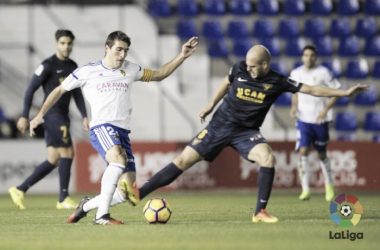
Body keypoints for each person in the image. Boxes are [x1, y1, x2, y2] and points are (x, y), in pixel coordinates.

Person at [122, 45, 367, 223]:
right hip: (218, 126)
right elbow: (226, 83)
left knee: (269, 158)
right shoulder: (239, 68)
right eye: (246, 65)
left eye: (253, 66)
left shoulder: (278, 81)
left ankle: (259, 212)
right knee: (182, 161)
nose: (247, 69)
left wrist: (344, 93)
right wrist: (210, 105)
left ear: (264, 65)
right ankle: (139, 193)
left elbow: (311, 89)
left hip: (246, 132)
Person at [29, 31, 198, 225]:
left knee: (127, 193)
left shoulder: (131, 69)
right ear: (107, 48)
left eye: (125, 51)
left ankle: (85, 207)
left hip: (123, 132)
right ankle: (101, 216)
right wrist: (40, 115)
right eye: (118, 50)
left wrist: (182, 56)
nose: (122, 55)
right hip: (102, 126)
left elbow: (159, 74)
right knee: (117, 159)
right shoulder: (87, 71)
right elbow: (59, 90)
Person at [9, 30, 89, 210]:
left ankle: (19, 189)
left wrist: (84, 115)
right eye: (62, 43)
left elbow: (76, 92)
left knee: (53, 159)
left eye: (69, 43)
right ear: (56, 44)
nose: (66, 46)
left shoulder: (73, 66)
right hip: (52, 115)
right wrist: (24, 115)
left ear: (72, 45)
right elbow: (31, 89)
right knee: (68, 152)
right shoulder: (48, 65)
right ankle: (63, 198)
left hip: (62, 115)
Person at [289, 45, 340, 202]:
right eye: (306, 55)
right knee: (303, 151)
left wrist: (325, 109)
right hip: (303, 119)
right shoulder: (296, 73)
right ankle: (305, 189)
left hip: (319, 120)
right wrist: (293, 108)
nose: (308, 58)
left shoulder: (323, 72)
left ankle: (329, 185)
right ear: (302, 57)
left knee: (321, 154)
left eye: (311, 55)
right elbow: (295, 93)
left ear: (315, 57)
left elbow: (337, 91)